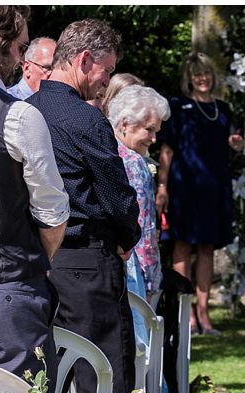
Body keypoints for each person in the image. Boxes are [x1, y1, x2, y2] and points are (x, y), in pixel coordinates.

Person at [30, 17, 159, 393]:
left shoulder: (25, 111)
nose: (106, 84)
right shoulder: (86, 120)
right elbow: (119, 198)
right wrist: (127, 229)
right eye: (104, 73)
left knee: (49, 386)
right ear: (84, 61)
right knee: (107, 386)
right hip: (88, 263)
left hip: (38, 266)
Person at [0, 4, 68, 393]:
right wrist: (36, 263)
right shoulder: (19, 116)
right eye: (21, 47)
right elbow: (53, 214)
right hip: (8, 288)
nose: (21, 58)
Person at [156, 52, 244, 337]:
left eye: (206, 73)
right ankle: (187, 313)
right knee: (182, 247)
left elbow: (234, 146)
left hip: (214, 187)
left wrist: (236, 144)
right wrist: (162, 186)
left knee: (207, 249)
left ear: (212, 76)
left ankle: (204, 314)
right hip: (184, 187)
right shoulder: (178, 106)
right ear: (189, 78)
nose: (202, 78)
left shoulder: (223, 109)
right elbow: (166, 150)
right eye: (197, 74)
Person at [108, 85, 168, 346]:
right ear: (124, 124)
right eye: (149, 129)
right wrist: (153, 278)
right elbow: (141, 229)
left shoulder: (107, 152)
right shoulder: (134, 163)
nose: (154, 139)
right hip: (135, 271)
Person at [6, 31, 52, 98]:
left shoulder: (58, 101)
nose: (54, 75)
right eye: (48, 68)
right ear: (27, 68)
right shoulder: (7, 102)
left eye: (57, 70)